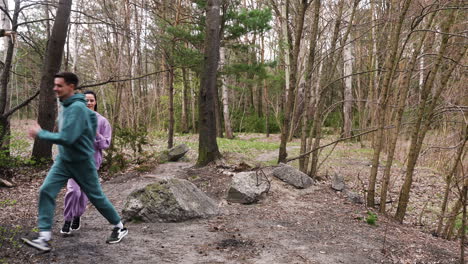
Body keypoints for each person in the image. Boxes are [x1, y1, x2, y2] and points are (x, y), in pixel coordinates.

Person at [23, 72, 127, 252]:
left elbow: (68, 137)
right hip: (64, 161)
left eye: (59, 85)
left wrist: (40, 133)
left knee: (96, 197)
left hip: (82, 162)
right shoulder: (66, 106)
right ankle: (44, 237)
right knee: (46, 190)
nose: (55, 88)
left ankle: (119, 227)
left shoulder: (77, 108)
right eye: (55, 85)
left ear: (71, 86)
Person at [60, 90, 112, 235]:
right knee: (73, 191)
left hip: (91, 164)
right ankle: (67, 220)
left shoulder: (102, 121)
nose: (88, 103)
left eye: (91, 100)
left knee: (83, 194)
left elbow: (106, 144)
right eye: (86, 100)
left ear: (95, 102)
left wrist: (95, 134)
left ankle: (77, 215)